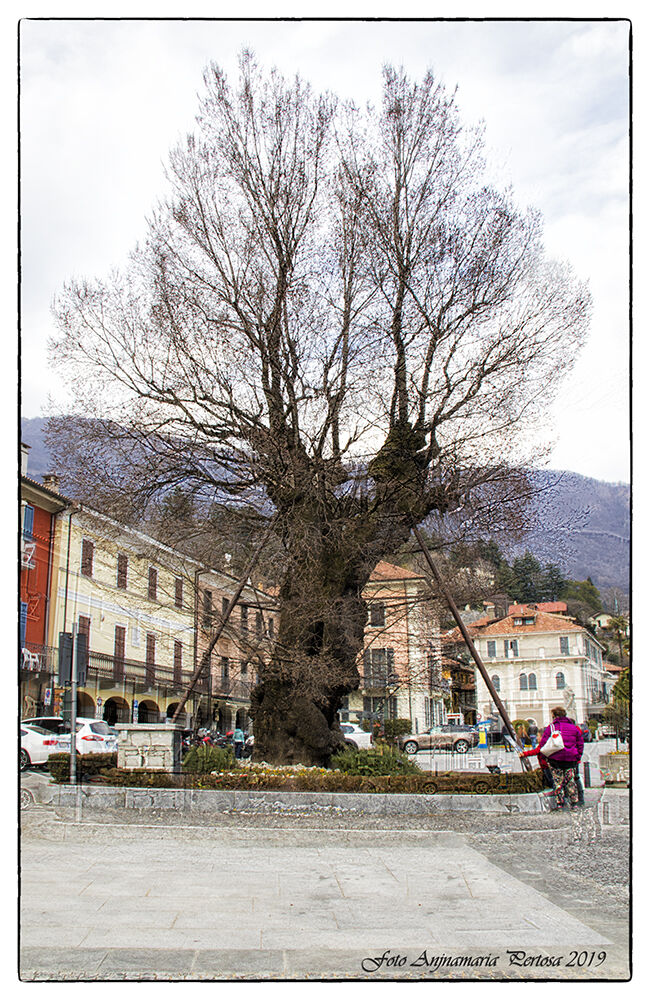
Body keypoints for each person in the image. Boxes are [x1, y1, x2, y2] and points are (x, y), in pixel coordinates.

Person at [539, 707, 584, 809]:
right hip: (571, 759)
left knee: (558, 781)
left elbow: (543, 744)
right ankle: (574, 802)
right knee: (570, 780)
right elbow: (580, 743)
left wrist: (545, 757)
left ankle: (560, 803)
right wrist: (577, 756)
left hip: (556, 759)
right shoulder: (573, 728)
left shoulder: (552, 728)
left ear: (554, 716)